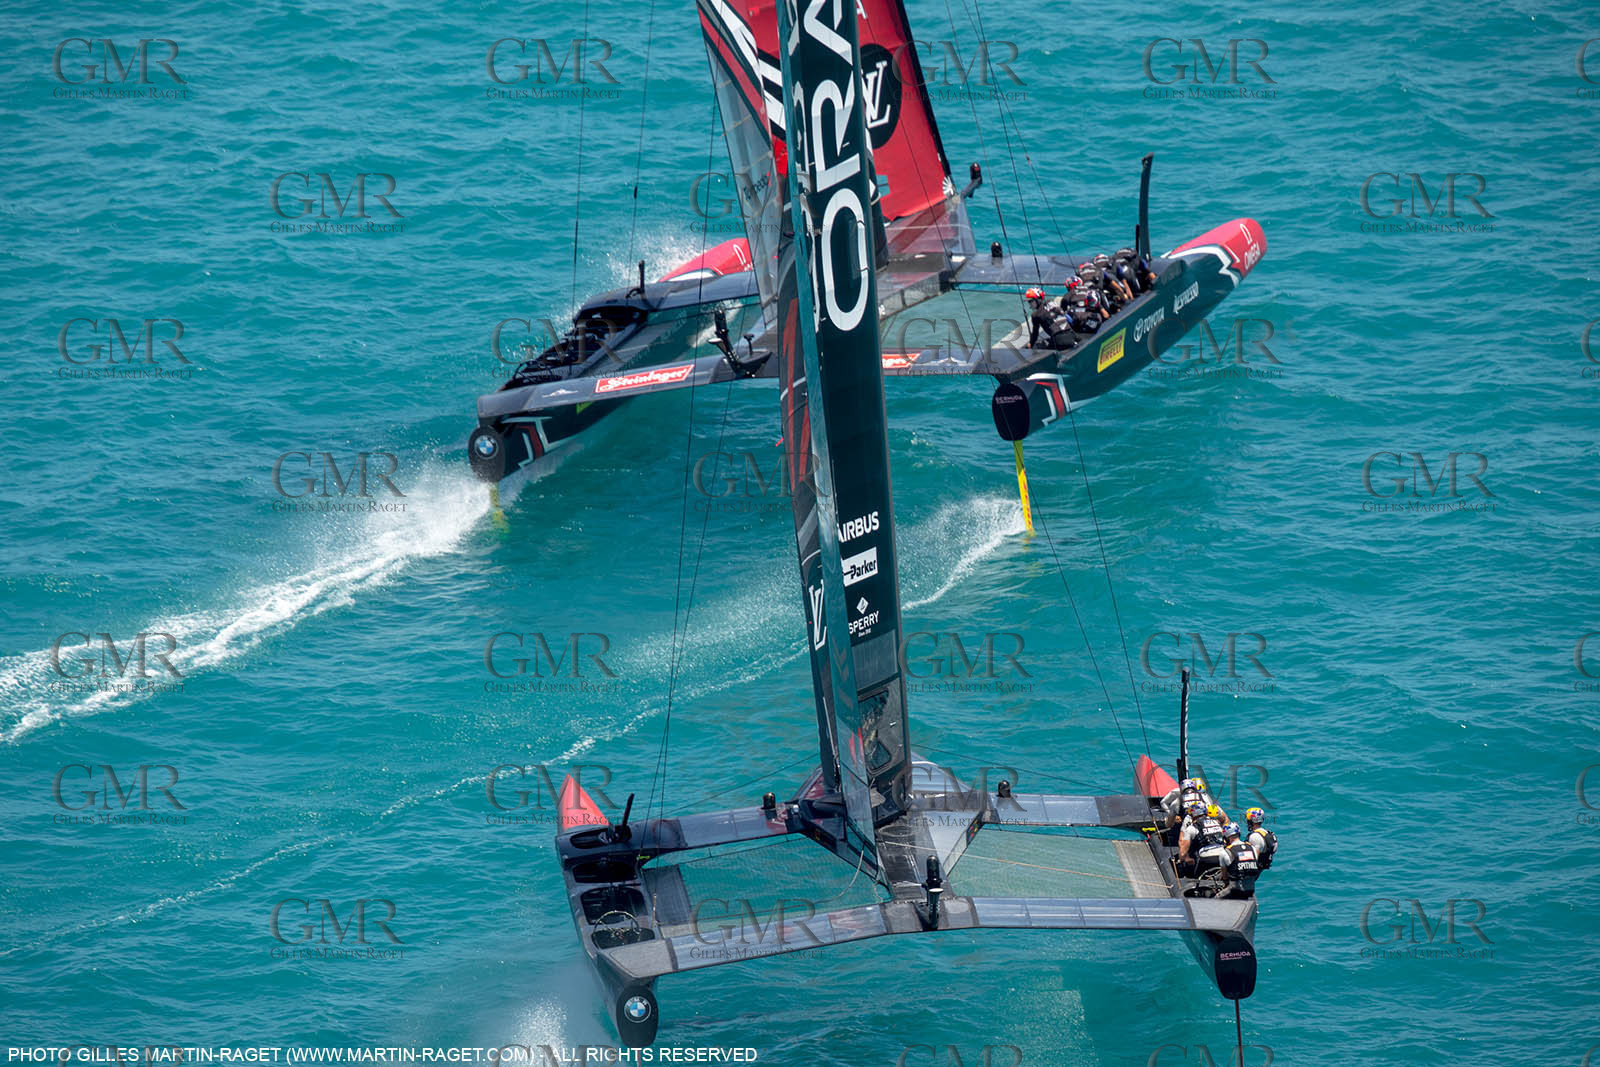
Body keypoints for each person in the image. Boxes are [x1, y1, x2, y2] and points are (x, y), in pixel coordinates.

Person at [1217, 822, 1260, 899]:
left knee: (1215, 899)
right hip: (1251, 890)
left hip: (1234, 891)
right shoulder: (1252, 848)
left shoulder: (1225, 852)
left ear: (1227, 836)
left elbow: (1225, 877)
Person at [1246, 807, 1277, 871]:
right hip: (1263, 866)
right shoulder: (1268, 833)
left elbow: (1254, 858)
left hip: (1254, 870)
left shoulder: (1254, 837)